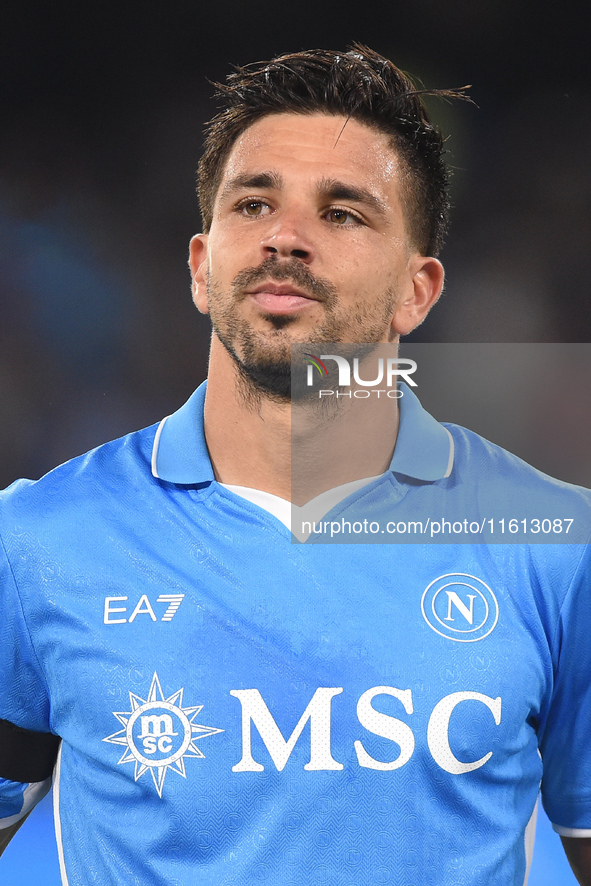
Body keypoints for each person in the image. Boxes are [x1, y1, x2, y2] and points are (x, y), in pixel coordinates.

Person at [1, 44, 591, 886]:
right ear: (203, 268)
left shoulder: (555, 548)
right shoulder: (34, 543)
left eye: (343, 213)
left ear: (415, 292)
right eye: (252, 204)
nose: (284, 237)